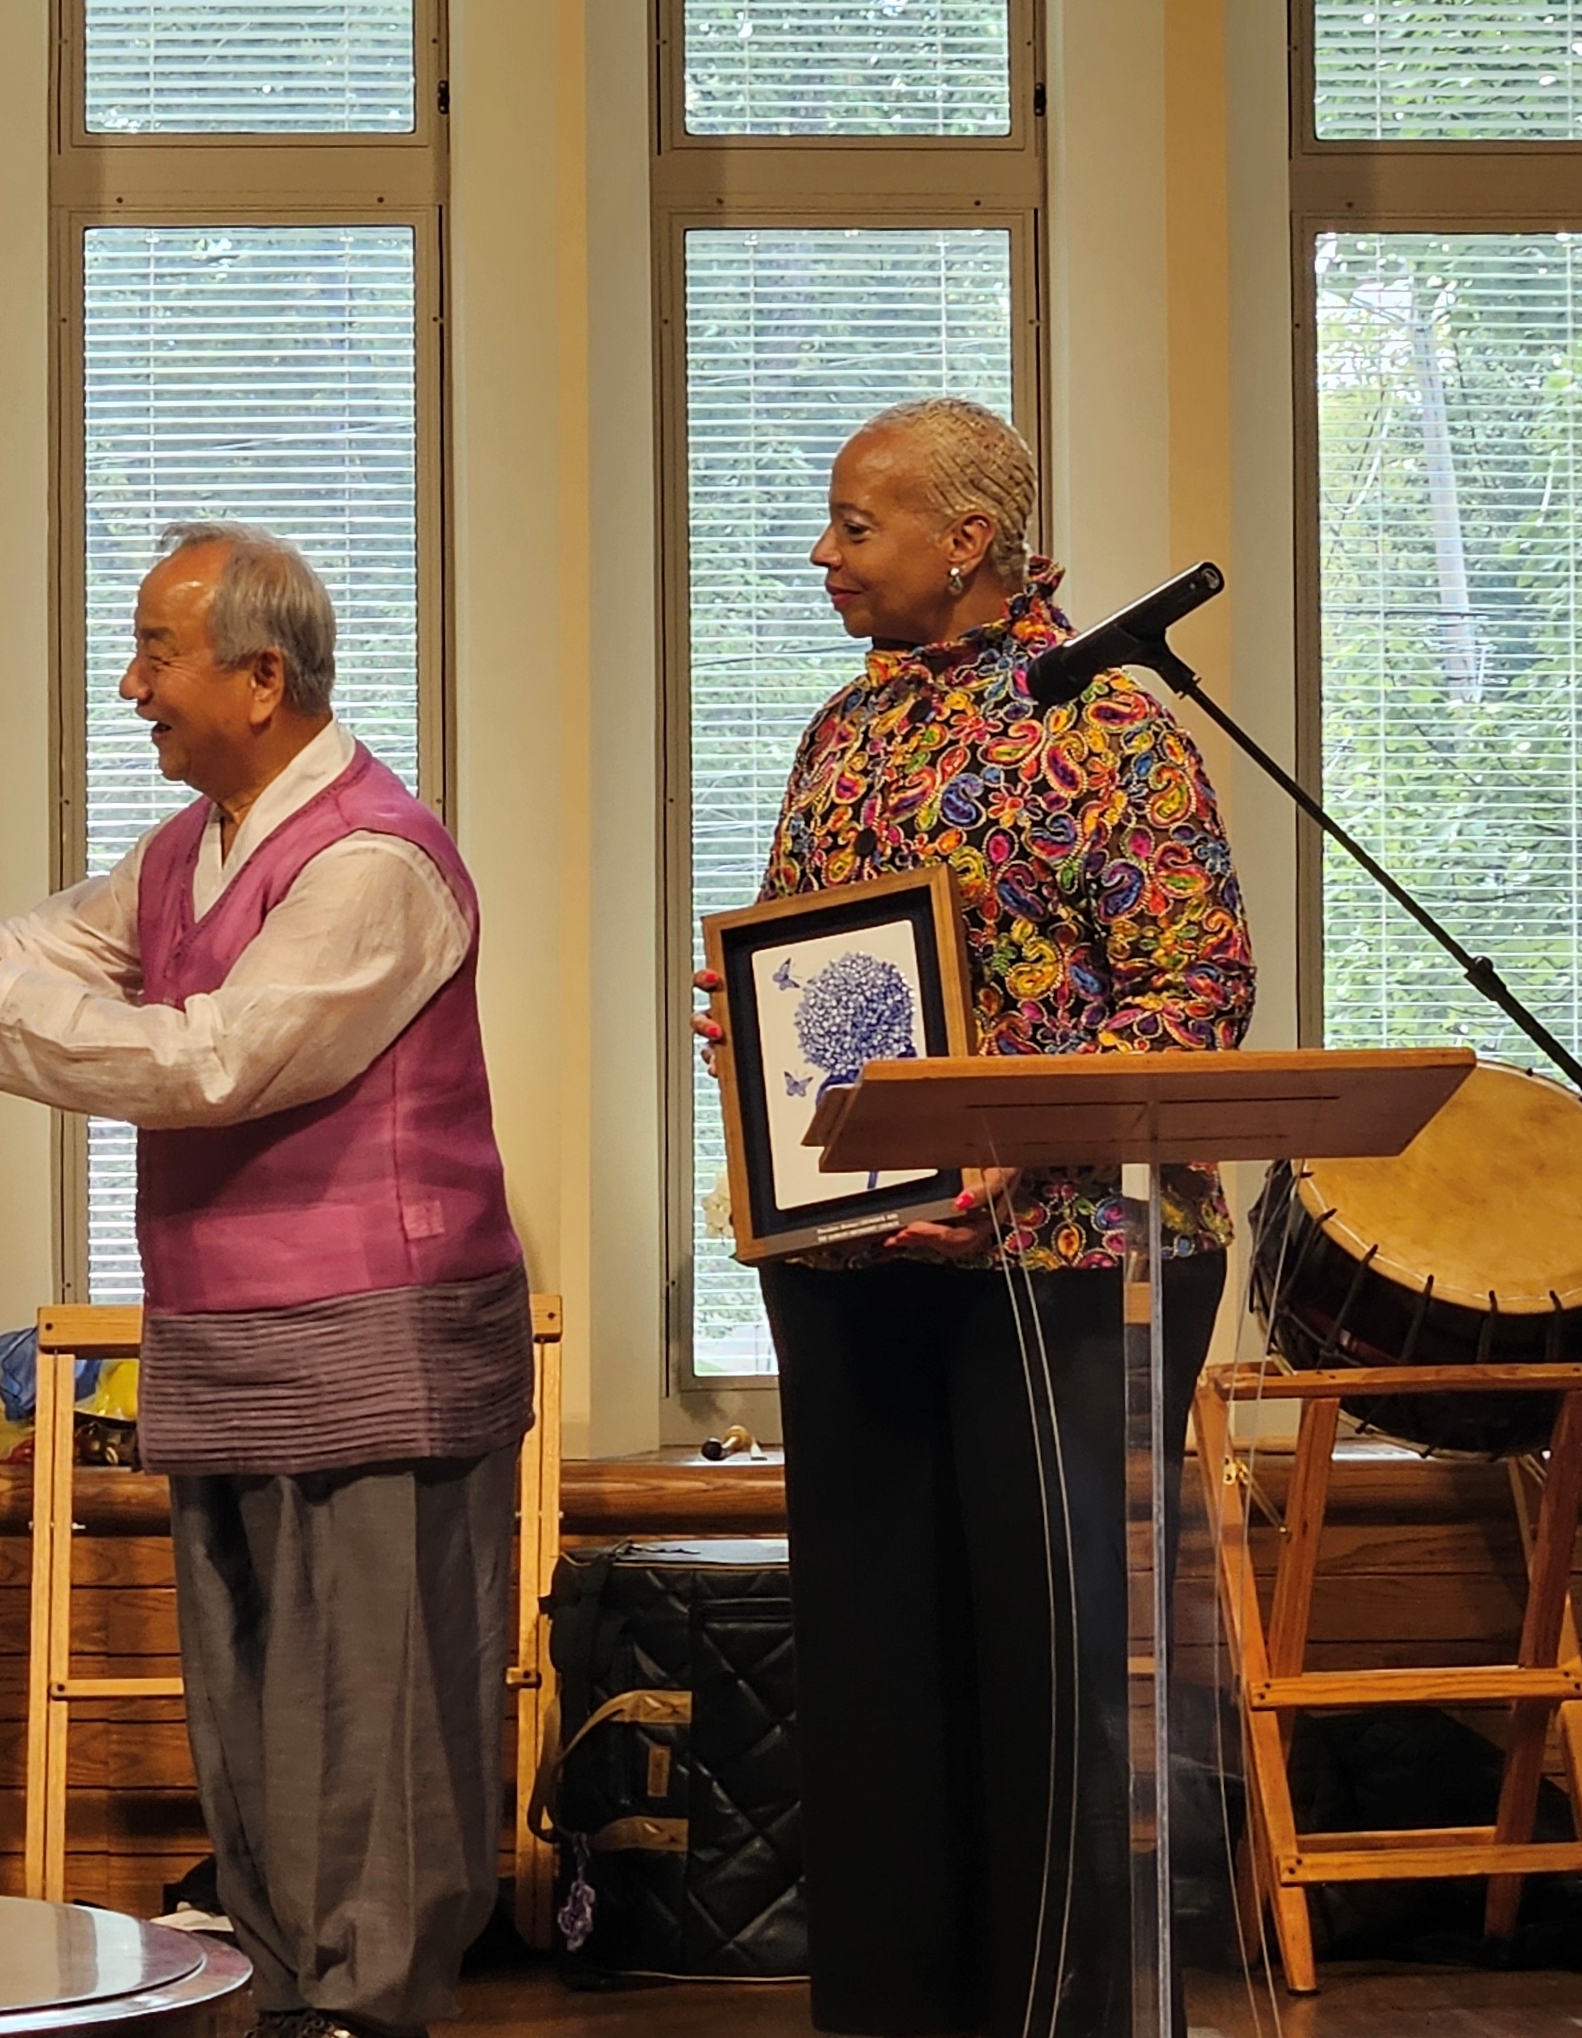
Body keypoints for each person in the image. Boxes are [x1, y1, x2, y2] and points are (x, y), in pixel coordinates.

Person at [0, 524, 532, 2038]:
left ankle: (370, 2008)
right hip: (230, 1337)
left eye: (157, 653)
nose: (132, 684)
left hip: (381, 1347)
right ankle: (287, 1994)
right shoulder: (185, 849)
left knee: (377, 1713)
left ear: (263, 678)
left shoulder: (371, 860)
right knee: (252, 1703)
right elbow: (38, 954)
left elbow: (217, 1060)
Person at [694, 398, 1254, 2037]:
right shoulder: (841, 730)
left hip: (1066, 1262)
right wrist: (753, 1035)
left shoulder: (1111, 728)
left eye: (853, 523)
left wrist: (1010, 1140)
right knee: (872, 1669)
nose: (820, 551)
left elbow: (1196, 992)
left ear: (965, 541)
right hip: (856, 1259)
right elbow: (808, 970)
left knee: (1041, 1678)